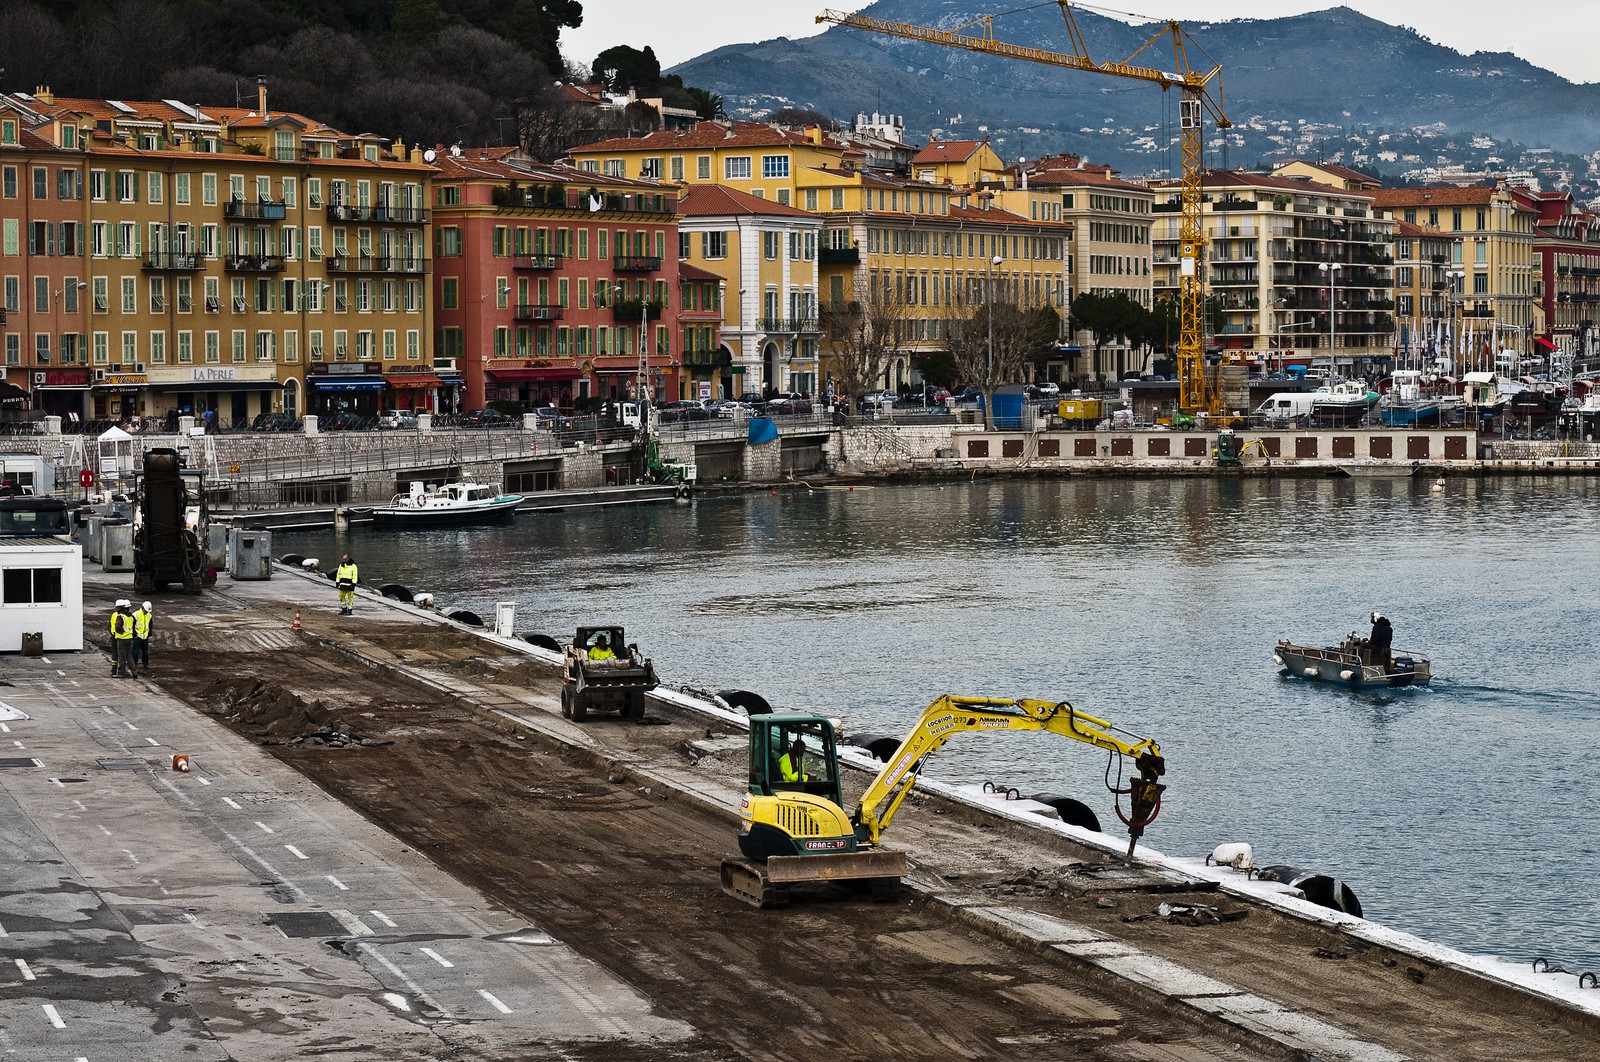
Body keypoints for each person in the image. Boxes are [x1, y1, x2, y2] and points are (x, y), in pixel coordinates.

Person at [109, 600, 135, 678]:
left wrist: (120, 632)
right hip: (129, 638)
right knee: (129, 655)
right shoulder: (131, 616)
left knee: (120, 655)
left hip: (120, 638)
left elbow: (116, 627)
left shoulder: (119, 616)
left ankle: (120, 672)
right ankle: (134, 672)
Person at [132, 601, 153, 674]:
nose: (147, 612)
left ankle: (145, 665)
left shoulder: (149, 615)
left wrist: (149, 634)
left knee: (145, 653)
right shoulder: (135, 615)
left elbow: (150, 625)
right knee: (135, 652)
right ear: (142, 608)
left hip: (145, 637)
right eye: (146, 610)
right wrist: (134, 635)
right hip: (137, 637)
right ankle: (134, 666)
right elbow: (132, 626)